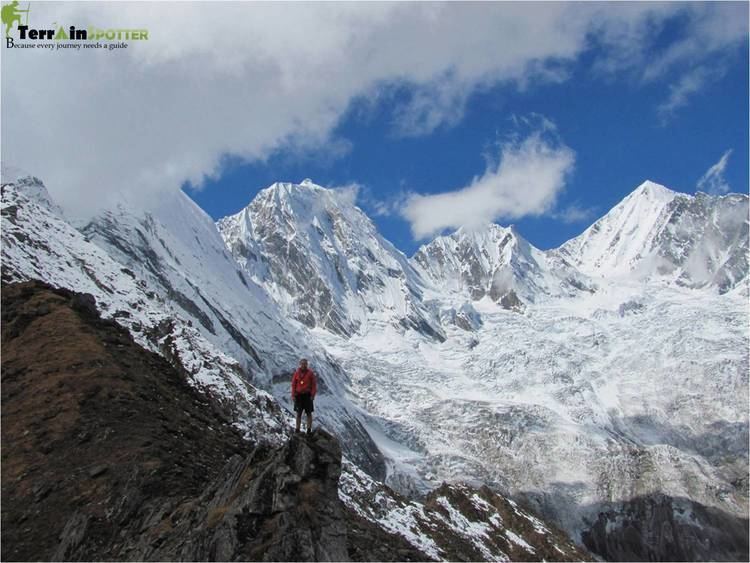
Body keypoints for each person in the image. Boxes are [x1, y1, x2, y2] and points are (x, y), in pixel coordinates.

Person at [291, 358, 317, 434]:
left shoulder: (310, 373)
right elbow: (293, 384)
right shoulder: (296, 373)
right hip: (298, 396)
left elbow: (314, 385)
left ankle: (309, 429)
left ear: (307, 365)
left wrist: (312, 395)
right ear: (300, 364)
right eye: (302, 364)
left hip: (307, 396)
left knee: (309, 413)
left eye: (305, 364)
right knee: (298, 413)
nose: (304, 365)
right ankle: (297, 429)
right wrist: (293, 395)